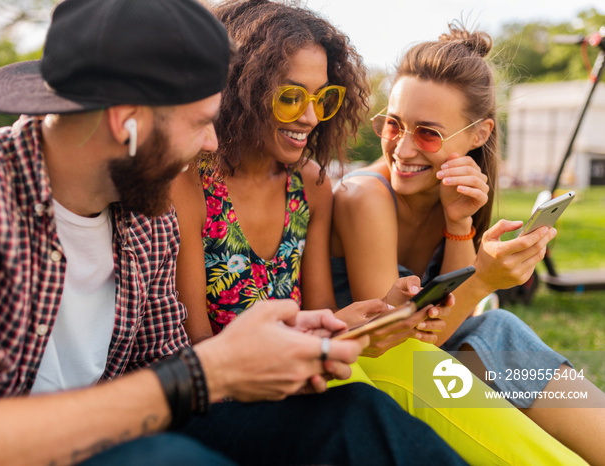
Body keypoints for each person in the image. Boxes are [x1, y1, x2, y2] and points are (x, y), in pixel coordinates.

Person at [0, 0, 476, 465]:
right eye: (202, 122)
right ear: (125, 120)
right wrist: (211, 369)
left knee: (355, 419)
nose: (211, 144)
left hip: (127, 435)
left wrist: (287, 340)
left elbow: (175, 368)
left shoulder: (142, 216)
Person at [171, 2, 588, 464]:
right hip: (240, 389)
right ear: (240, 89)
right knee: (422, 362)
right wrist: (480, 281)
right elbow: (200, 349)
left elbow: (325, 313)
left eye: (322, 99)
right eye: (291, 97)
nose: (310, 117)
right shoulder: (191, 185)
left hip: (320, 364)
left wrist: (386, 309)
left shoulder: (307, 183)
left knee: (495, 332)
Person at [331, 21, 605, 465]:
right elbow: (397, 347)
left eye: (428, 133)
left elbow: (450, 326)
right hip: (374, 371)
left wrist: (459, 222)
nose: (402, 148)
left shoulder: (453, 193)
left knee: (501, 332)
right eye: (394, 124)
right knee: (498, 334)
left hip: (424, 363)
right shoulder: (364, 197)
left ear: (479, 135)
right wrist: (483, 281)